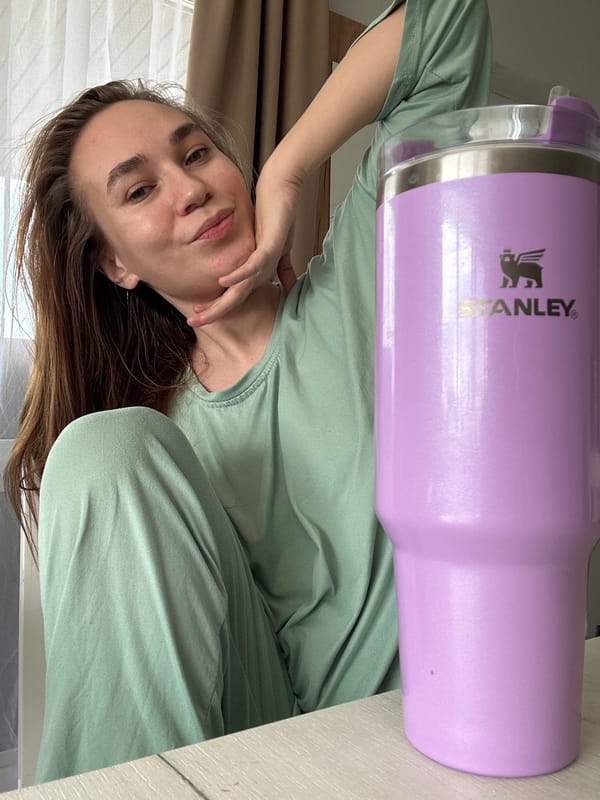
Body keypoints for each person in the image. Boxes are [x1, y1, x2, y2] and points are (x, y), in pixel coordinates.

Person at [5, 0, 491, 783]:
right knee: (103, 447)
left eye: (195, 154)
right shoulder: (153, 453)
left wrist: (287, 167)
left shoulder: (364, 281)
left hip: (429, 722)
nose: (190, 189)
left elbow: (448, 22)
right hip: (255, 745)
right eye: (138, 192)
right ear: (115, 266)